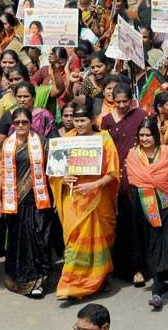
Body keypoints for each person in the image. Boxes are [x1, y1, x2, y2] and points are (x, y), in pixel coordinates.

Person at [50, 104, 119, 300]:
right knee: (74, 241)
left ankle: (101, 278)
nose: (78, 124)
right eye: (76, 120)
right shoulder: (66, 141)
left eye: (83, 120)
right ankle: (72, 285)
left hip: (98, 199)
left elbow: (113, 173)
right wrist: (63, 179)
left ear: (93, 120)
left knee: (100, 241)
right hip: (73, 200)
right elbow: (55, 173)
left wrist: (95, 185)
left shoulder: (104, 140)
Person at [127, 117, 168, 309]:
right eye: (141, 135)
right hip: (143, 205)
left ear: (156, 135)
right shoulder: (133, 155)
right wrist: (149, 184)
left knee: (164, 240)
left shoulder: (167, 153)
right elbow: (133, 178)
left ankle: (159, 286)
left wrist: (160, 184)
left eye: (148, 135)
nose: (144, 139)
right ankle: (160, 283)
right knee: (150, 243)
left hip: (165, 204)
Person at [0, 107, 52, 297]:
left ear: (31, 123)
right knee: (17, 241)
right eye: (17, 122)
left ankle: (37, 281)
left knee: (38, 239)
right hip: (15, 201)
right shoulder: (7, 145)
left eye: (25, 122)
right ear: (13, 124)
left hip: (38, 199)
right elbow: (0, 171)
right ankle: (19, 279)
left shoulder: (42, 142)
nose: (21, 125)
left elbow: (51, 170)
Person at [100, 83, 148, 281]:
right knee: (115, 223)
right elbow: (101, 146)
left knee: (135, 222)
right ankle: (116, 267)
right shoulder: (106, 120)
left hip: (134, 174)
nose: (121, 105)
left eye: (125, 101)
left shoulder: (141, 116)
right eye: (117, 101)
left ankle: (138, 268)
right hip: (111, 176)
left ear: (131, 100)